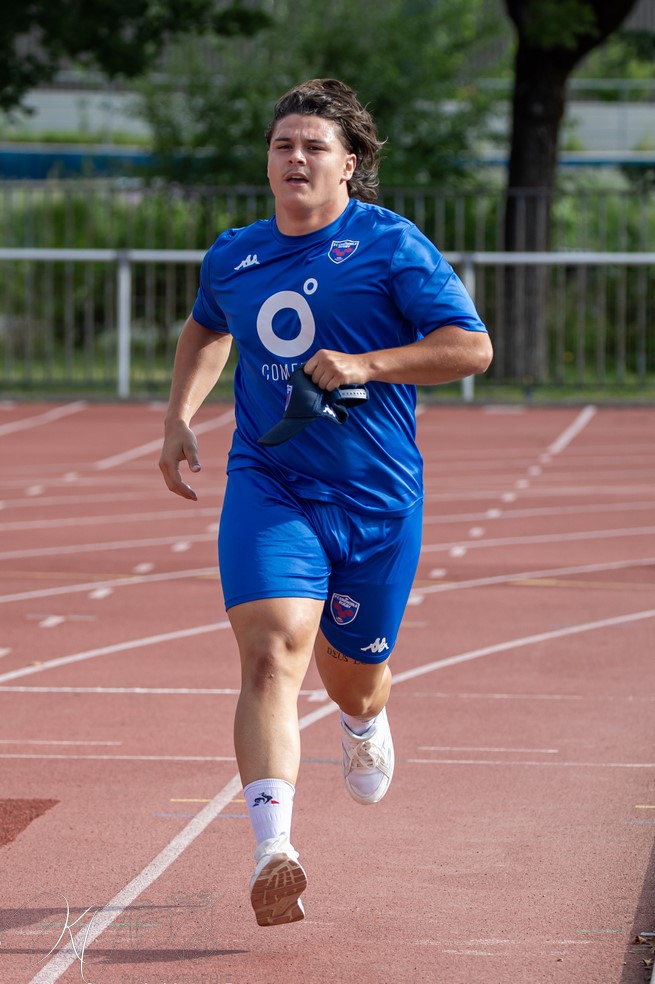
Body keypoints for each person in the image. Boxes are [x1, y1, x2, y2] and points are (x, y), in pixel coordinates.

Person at [158, 78, 492, 928]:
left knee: (355, 681)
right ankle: (275, 851)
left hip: (376, 498)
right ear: (267, 163)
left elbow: (469, 348)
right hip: (271, 487)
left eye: (313, 146)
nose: (295, 158)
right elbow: (207, 327)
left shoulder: (390, 245)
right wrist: (179, 417)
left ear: (350, 164)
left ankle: (363, 720)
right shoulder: (233, 255)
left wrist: (364, 364)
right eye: (282, 145)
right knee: (272, 654)